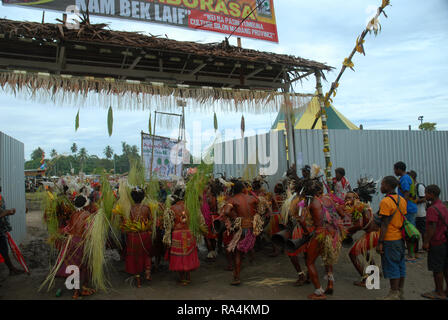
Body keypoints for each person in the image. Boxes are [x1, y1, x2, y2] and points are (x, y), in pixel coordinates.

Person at [303, 178, 344, 300]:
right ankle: (330, 284)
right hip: (333, 232)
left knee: (309, 262)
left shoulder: (310, 202)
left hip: (320, 233)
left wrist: (306, 231)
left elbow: (301, 219)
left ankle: (319, 292)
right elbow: (340, 213)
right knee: (328, 257)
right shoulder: (329, 199)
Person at [55, 195, 96, 299]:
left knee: (73, 265)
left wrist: (61, 232)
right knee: (83, 266)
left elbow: (68, 228)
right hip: (81, 243)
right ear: (84, 204)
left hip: (71, 241)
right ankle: (78, 291)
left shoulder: (73, 214)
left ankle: (75, 289)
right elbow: (89, 230)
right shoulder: (87, 214)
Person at [376, 176, 407, 300]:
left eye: (382, 184)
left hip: (390, 238)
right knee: (400, 265)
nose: (381, 186)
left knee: (391, 265)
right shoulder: (402, 199)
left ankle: (393, 293)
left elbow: (384, 224)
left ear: (388, 186)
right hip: (400, 238)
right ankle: (400, 291)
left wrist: (380, 242)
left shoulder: (385, 202)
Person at [223, 180, 260, 285]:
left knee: (237, 254)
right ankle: (252, 259)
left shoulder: (233, 199)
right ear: (243, 189)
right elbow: (259, 205)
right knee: (244, 248)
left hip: (241, 229)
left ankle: (237, 277)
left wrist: (234, 217)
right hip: (252, 229)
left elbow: (226, 212)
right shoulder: (252, 198)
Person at [163, 187, 201, 286]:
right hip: (189, 233)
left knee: (180, 256)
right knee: (188, 254)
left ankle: (182, 278)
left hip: (177, 234)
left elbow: (168, 226)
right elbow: (196, 221)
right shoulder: (191, 207)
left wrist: (167, 237)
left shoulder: (171, 209)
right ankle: (188, 277)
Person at [343, 191, 380, 287]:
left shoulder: (358, 206)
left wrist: (347, 231)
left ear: (355, 198)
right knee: (364, 251)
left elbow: (359, 225)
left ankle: (366, 279)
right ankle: (375, 272)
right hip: (374, 233)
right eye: (346, 198)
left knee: (352, 254)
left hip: (373, 234)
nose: (347, 200)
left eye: (349, 198)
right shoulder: (361, 205)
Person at [421, 185, 448, 300]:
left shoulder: (432, 209)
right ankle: (445, 291)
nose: (425, 196)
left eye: (426, 193)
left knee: (437, 269)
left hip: (436, 242)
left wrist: (426, 242)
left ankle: (439, 292)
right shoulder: (442, 206)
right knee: (445, 267)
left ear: (431, 194)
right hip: (445, 240)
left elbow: (431, 227)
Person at [122, 188, 153, 288]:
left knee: (134, 257)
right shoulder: (147, 208)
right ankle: (148, 272)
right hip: (144, 235)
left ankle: (138, 281)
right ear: (143, 197)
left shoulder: (129, 209)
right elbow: (151, 221)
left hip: (132, 237)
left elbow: (125, 223)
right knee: (146, 253)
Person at [394, 162, 419, 261]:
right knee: (410, 230)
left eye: (395, 169)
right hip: (411, 207)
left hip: (408, 209)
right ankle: (413, 253)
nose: (394, 171)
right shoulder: (408, 178)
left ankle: (411, 254)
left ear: (399, 169)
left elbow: (406, 194)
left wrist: (401, 207)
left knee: (408, 231)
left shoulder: (404, 179)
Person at [0, 186, 23, 276]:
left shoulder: (1, 198)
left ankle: (11, 269)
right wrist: (6, 212)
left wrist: (9, 212)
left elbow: (2, 211)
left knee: (4, 250)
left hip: (1, 229)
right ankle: (12, 269)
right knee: (4, 250)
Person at [409, 171, 426, 253]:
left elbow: (424, 198)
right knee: (415, 231)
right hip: (414, 213)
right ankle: (415, 248)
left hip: (421, 213)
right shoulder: (411, 187)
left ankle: (424, 246)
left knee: (423, 231)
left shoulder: (419, 186)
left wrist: (413, 201)